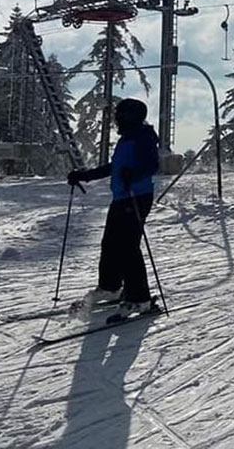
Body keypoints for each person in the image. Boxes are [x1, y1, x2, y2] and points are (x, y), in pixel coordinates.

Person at [67, 99, 160, 317]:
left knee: (128, 247)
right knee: (110, 243)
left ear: (131, 116)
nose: (117, 119)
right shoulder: (127, 138)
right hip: (122, 197)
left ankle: (140, 299)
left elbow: (151, 165)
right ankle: (111, 287)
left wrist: (134, 175)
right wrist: (85, 175)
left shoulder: (143, 137)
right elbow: (115, 167)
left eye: (120, 115)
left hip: (137, 197)